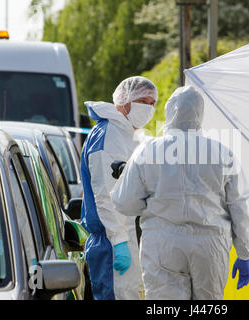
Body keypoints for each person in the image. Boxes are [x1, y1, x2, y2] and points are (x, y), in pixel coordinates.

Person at [111, 85, 249, 300]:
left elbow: (125, 203)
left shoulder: (148, 150)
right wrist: (245, 253)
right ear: (200, 113)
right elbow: (241, 205)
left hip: (162, 242)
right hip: (210, 245)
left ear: (169, 112)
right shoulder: (222, 153)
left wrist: (152, 202)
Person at [80, 76, 158, 300]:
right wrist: (119, 241)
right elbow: (106, 194)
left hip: (126, 238)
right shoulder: (109, 135)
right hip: (113, 243)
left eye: (153, 104)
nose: (149, 108)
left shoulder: (125, 134)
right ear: (124, 100)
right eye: (143, 101)